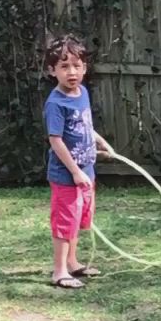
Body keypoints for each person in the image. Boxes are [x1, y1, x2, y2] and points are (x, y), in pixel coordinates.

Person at [44, 35, 113, 289]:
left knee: (78, 220)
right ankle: (59, 271)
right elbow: (56, 140)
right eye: (64, 66)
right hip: (67, 175)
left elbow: (84, 125)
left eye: (76, 65)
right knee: (65, 222)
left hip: (86, 170)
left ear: (84, 68)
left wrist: (99, 141)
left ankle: (73, 263)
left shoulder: (81, 93)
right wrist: (74, 172)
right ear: (52, 71)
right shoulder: (55, 103)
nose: (71, 72)